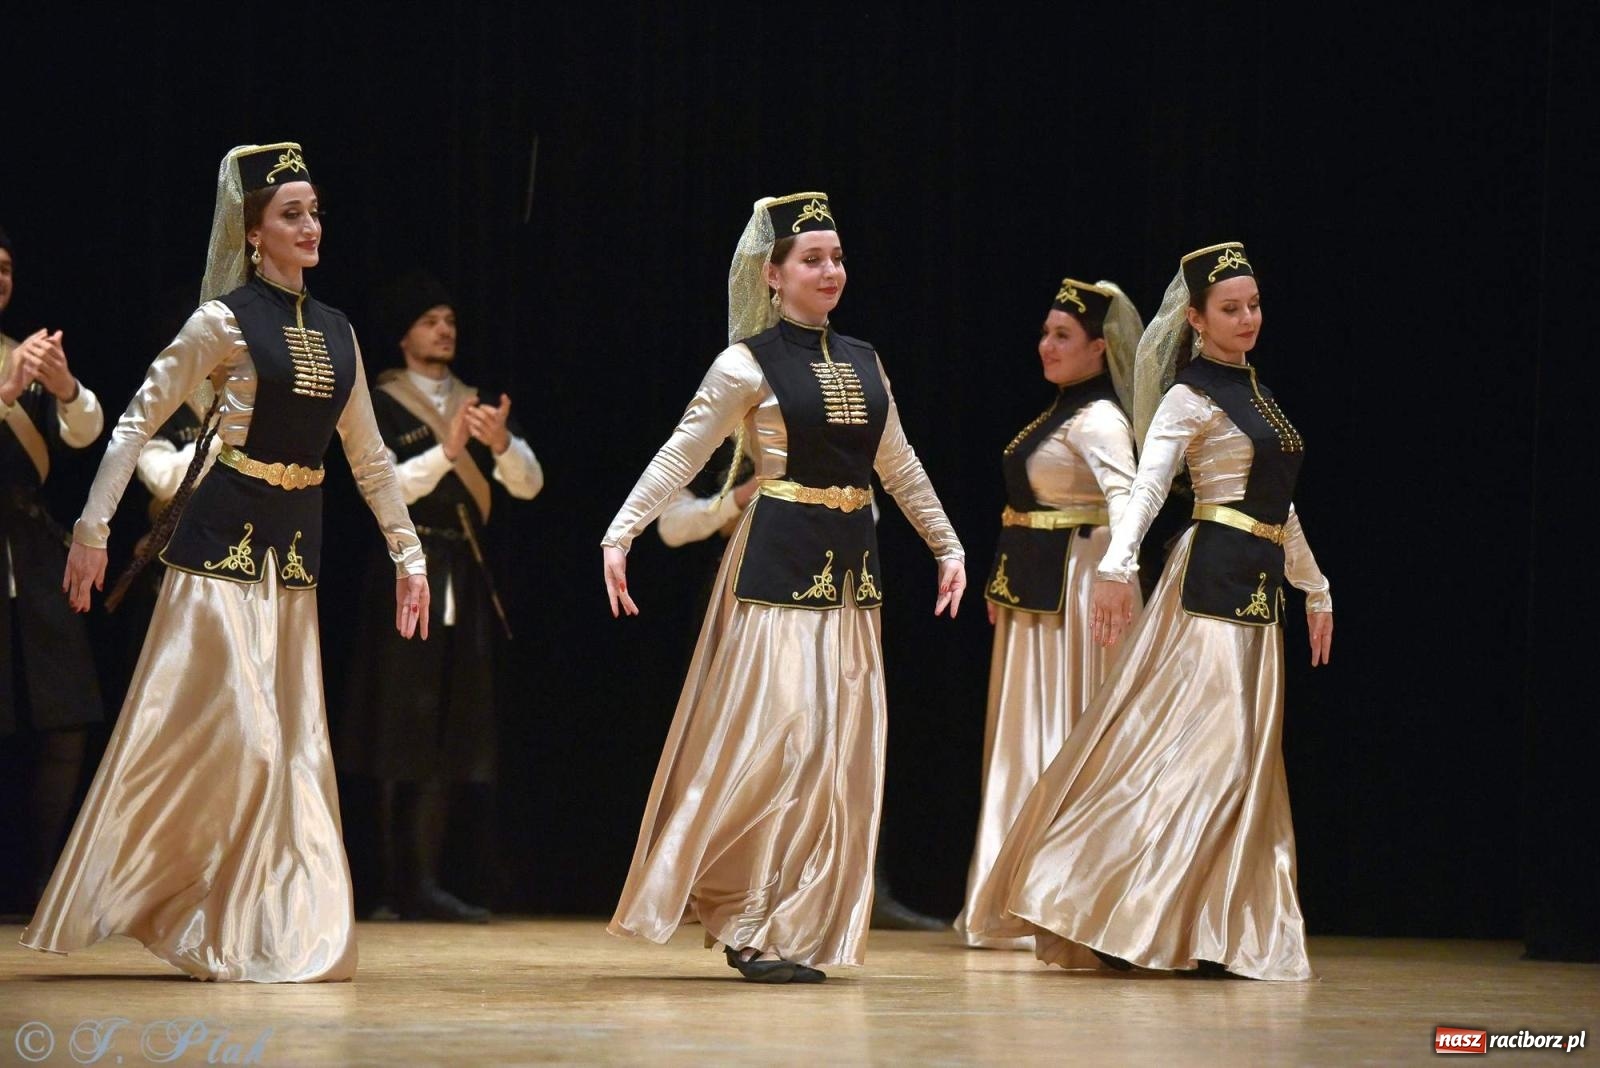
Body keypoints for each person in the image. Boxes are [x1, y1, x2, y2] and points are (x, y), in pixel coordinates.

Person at [21, 143, 429, 982]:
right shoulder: (223, 321)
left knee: (291, 746)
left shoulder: (340, 331)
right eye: (291, 214)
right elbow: (137, 422)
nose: (310, 226)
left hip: (295, 560)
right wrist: (92, 531)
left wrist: (407, 553)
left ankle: (264, 921)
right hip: (218, 556)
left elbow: (372, 459)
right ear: (253, 234)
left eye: (315, 211)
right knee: (239, 739)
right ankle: (194, 909)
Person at [600, 192, 965, 983]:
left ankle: (791, 924)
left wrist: (946, 543)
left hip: (851, 579)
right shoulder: (746, 363)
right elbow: (681, 456)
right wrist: (622, 532)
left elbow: (897, 465)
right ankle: (745, 916)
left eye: (836, 258)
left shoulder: (867, 360)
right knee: (780, 744)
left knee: (838, 752)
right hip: (774, 572)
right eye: (812, 259)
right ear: (772, 275)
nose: (830, 270)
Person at [966, 241, 1333, 980]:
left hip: (1258, 593)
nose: (1247, 318)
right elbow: (1141, 490)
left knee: (1243, 759)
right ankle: (1110, 901)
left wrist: (1316, 586)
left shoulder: (1259, 395)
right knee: (1206, 753)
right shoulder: (1188, 396)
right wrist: (1115, 565)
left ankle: (1210, 924)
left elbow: (1276, 506)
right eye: (1230, 309)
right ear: (1195, 319)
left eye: (1254, 306)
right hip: (1210, 585)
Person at [340, 271, 544, 923]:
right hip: (404, 568)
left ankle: (425, 882)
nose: (445, 330)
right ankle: (382, 884)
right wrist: (447, 451)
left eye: (450, 320)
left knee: (450, 730)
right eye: (431, 320)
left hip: (462, 569)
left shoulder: (477, 402)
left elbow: (529, 486)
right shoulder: (378, 401)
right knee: (393, 730)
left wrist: (501, 445)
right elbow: (383, 486)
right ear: (403, 335)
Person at [954, 277, 1142, 949]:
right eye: (1044, 332)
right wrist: (1001, 581)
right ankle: (1020, 891)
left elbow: (1126, 497)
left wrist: (1119, 576)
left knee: (1060, 729)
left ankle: (1054, 899)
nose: (1047, 345)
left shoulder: (1098, 419)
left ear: (1100, 347)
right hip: (1039, 586)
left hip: (1081, 588)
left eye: (1062, 335)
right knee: (1028, 732)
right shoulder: (1061, 412)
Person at [0, 223, 106, 905]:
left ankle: (37, 879)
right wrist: (6, 394)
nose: (0, 279)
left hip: (30, 545)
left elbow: (86, 431)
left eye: (5, 268)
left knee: (64, 717)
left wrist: (64, 389)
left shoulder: (23, 354)